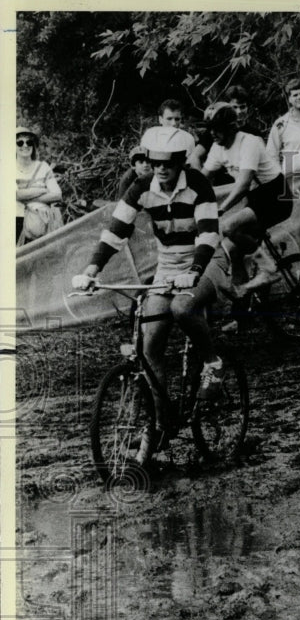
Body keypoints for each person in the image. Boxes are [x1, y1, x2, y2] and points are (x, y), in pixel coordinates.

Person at [71, 127, 227, 412]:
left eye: (168, 162)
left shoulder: (198, 184)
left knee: (181, 307)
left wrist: (193, 270)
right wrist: (91, 270)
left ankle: (212, 363)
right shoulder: (142, 187)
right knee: (149, 345)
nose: (161, 169)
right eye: (155, 162)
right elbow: (116, 233)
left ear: (181, 161)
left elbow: (207, 236)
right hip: (168, 268)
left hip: (206, 263)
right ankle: (160, 422)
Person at [202, 102, 293, 295]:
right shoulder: (218, 147)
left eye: (217, 129)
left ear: (230, 128)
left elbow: (243, 185)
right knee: (234, 252)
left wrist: (220, 210)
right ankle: (242, 314)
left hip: (275, 196)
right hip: (256, 199)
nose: (212, 134)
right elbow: (203, 179)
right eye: (210, 129)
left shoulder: (248, 142)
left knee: (227, 227)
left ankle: (268, 268)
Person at [15, 125, 63, 245]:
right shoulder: (8, 168)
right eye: (20, 142)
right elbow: (16, 195)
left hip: (43, 223)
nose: (25, 145)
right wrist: (42, 190)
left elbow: (57, 195)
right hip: (16, 223)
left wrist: (25, 195)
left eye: (29, 142)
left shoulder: (43, 167)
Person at [148, 99, 200, 169]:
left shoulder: (188, 139)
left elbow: (191, 166)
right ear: (160, 119)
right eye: (169, 119)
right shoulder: (152, 139)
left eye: (177, 119)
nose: (174, 123)